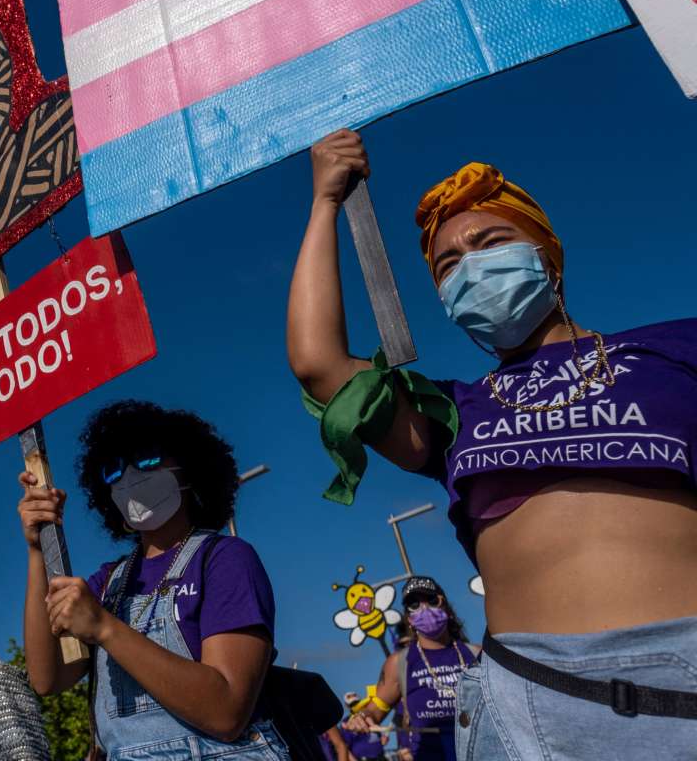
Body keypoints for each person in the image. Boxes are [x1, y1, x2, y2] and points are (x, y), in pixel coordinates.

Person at [287, 129, 697, 758]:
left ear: (548, 257)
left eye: (491, 241)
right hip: (523, 703)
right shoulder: (452, 410)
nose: (470, 265)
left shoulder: (671, 351)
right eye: (449, 265)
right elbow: (318, 363)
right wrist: (325, 203)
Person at [19, 400, 290, 759]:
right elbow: (47, 678)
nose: (130, 476)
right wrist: (38, 548)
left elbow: (226, 710)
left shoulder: (225, 559)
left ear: (188, 470)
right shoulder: (108, 582)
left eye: (146, 458)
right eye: (114, 470)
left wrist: (104, 628)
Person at [344, 578, 477, 760]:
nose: (424, 608)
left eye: (431, 600)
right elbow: (376, 710)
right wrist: (361, 716)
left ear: (446, 607)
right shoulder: (399, 663)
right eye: (414, 604)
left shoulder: (477, 655)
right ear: (409, 619)